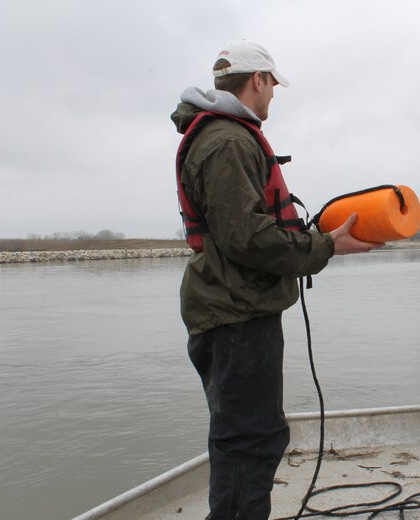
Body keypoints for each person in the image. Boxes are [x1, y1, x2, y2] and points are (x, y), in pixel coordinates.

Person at [170, 39, 383, 520]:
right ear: (258, 80)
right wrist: (329, 245)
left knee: (239, 436)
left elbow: (243, 232)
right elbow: (249, 238)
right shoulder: (226, 141)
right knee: (253, 441)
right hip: (237, 315)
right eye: (272, 85)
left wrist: (311, 239)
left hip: (232, 309)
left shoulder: (223, 137)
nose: (273, 96)